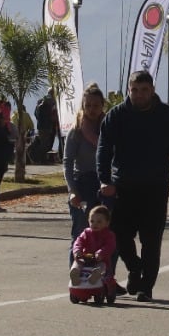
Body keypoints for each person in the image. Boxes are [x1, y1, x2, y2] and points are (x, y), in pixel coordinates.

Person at [96, 70, 169, 303]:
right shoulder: (116, 115)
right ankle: (134, 268)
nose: (139, 95)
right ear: (129, 90)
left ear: (152, 90)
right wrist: (104, 179)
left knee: (151, 240)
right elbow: (103, 150)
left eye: (144, 90)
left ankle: (146, 287)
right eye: (134, 90)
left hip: (155, 187)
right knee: (120, 235)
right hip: (123, 187)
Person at [63, 83, 106, 242]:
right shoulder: (76, 131)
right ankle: (76, 266)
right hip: (83, 184)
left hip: (105, 184)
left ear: (103, 105)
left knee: (105, 235)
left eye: (96, 105)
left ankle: (103, 266)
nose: (92, 109)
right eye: (88, 105)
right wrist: (72, 190)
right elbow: (67, 163)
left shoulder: (109, 129)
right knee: (81, 235)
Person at [70, 204, 117, 300]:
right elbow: (78, 241)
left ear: (107, 223)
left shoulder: (109, 235)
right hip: (85, 259)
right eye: (92, 221)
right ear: (88, 221)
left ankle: (96, 276)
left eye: (99, 222)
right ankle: (75, 274)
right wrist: (77, 251)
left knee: (102, 266)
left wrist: (101, 253)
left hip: (100, 260)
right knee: (77, 263)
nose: (95, 224)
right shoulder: (86, 233)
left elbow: (110, 246)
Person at [32, 89, 57, 163]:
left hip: (40, 125)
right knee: (45, 144)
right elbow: (52, 115)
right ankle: (40, 158)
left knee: (44, 142)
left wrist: (39, 121)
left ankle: (41, 159)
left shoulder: (40, 101)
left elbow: (35, 113)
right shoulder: (52, 101)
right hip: (47, 125)